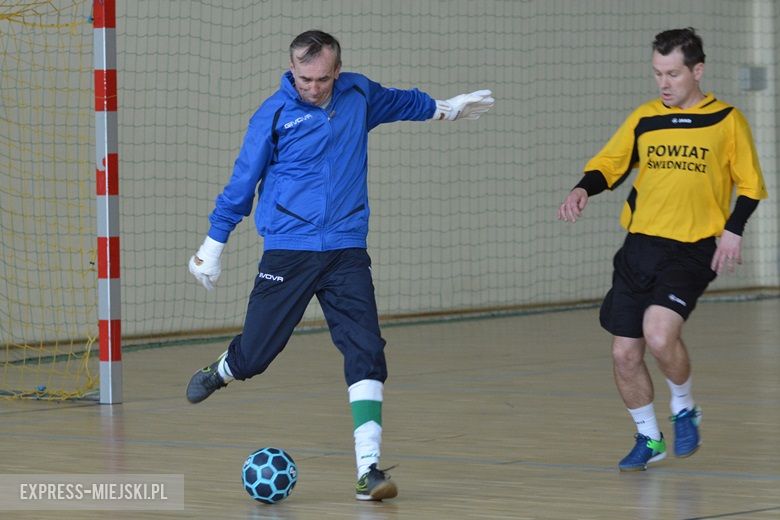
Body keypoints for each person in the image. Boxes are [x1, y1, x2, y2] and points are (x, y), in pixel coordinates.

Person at [185, 30, 494, 500]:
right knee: (258, 355)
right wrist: (213, 243)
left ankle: (368, 470)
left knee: (365, 348)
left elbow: (401, 101)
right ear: (292, 70)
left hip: (346, 248)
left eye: (323, 78)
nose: (314, 87)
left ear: (337, 69)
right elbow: (242, 184)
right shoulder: (273, 115)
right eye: (304, 78)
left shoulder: (357, 94)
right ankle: (226, 368)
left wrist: (444, 108)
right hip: (289, 249)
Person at [557, 27, 767, 472]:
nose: (664, 83)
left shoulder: (727, 121)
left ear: (697, 70)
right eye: (657, 73)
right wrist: (582, 189)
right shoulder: (645, 118)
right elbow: (610, 164)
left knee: (658, 334)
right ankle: (649, 438)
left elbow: (749, 185)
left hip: (691, 250)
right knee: (624, 353)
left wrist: (734, 230)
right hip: (640, 247)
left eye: (672, 73)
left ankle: (685, 407)